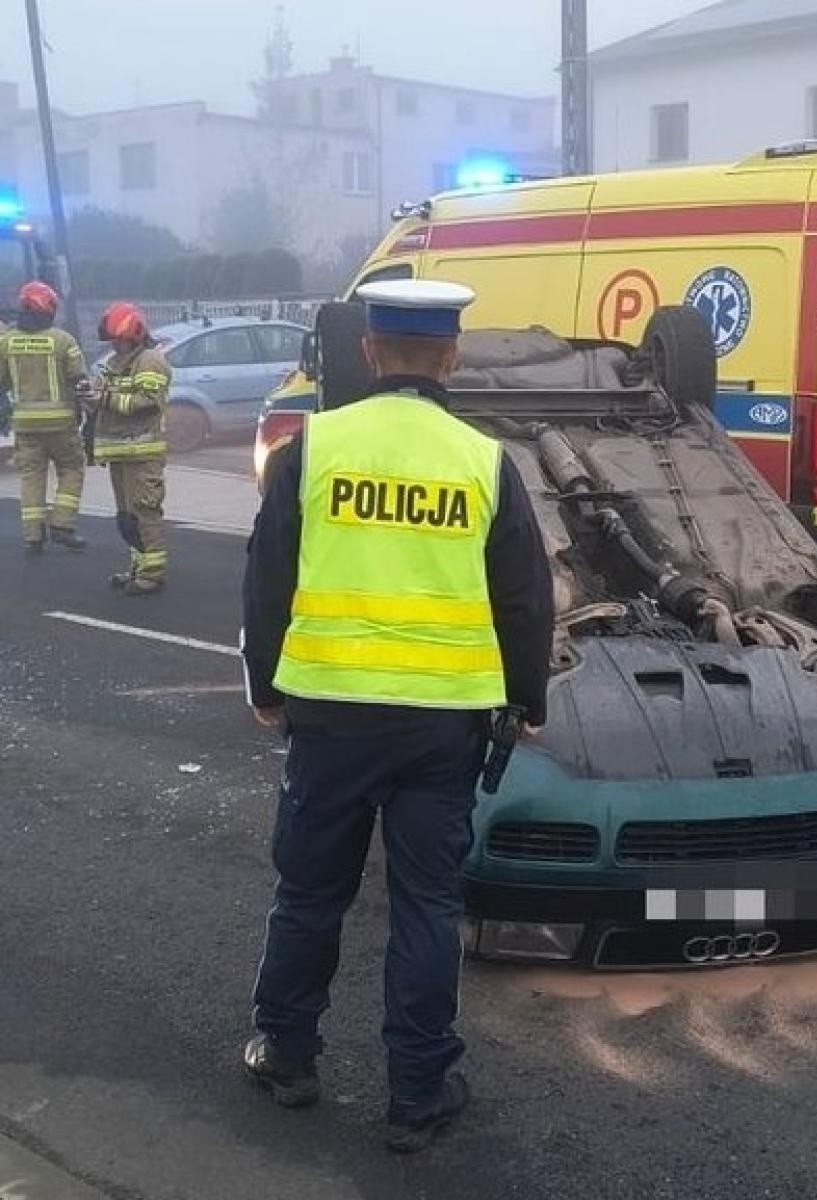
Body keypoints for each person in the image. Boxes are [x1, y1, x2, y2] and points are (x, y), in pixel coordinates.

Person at [241, 280, 554, 1153]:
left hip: (330, 716)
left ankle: (287, 1054)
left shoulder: (316, 446)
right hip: (441, 726)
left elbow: (267, 578)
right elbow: (526, 598)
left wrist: (266, 685)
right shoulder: (484, 461)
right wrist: (527, 698)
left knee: (309, 894)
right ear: (450, 358)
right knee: (425, 905)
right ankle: (417, 1093)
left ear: (370, 353)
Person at [0, 281, 88, 553]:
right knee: (72, 469)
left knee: (31, 476)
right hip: (61, 424)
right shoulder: (64, 341)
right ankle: (62, 525)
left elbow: (2, 382)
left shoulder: (6, 342)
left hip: (25, 424)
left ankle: (32, 535)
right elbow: (80, 381)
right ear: (49, 307)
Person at [91, 302, 172, 595]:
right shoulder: (115, 362)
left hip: (142, 452)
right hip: (121, 452)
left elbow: (148, 401)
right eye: (112, 340)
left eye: (119, 339)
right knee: (127, 517)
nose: (116, 344)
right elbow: (104, 395)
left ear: (134, 334)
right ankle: (138, 567)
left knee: (145, 512)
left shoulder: (150, 360)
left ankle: (153, 574)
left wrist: (106, 399)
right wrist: (91, 396)